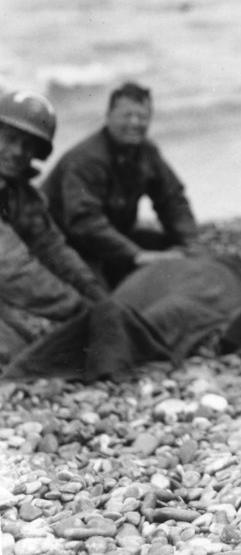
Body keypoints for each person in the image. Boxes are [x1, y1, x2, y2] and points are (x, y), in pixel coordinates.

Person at [41, 81, 200, 289]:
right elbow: (84, 221)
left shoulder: (147, 152)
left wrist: (190, 243)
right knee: (97, 298)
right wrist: (135, 254)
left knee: (182, 254)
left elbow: (172, 199)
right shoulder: (86, 160)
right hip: (68, 244)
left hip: (112, 240)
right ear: (108, 116)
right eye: (127, 115)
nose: (135, 123)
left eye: (142, 117)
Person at [0, 90, 107, 361]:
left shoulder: (17, 193)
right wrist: (79, 308)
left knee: (29, 348)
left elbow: (51, 247)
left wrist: (94, 292)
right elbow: (12, 269)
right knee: (16, 355)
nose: (17, 152)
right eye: (10, 139)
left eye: (28, 146)